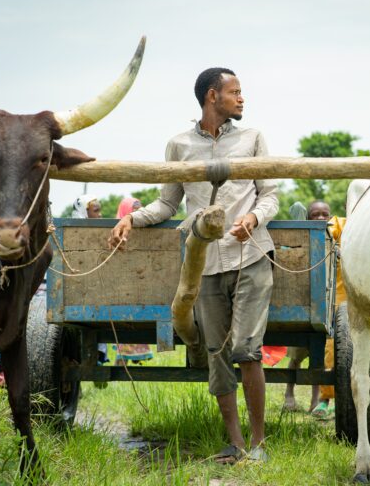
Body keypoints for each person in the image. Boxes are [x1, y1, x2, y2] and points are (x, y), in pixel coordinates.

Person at [109, 68, 278, 464]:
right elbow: (168, 203)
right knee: (217, 352)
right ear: (212, 96)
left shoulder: (253, 139)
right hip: (204, 264)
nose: (242, 99)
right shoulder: (179, 145)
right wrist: (131, 218)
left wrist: (252, 219)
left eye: (241, 93)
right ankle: (235, 444)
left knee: (247, 349)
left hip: (251, 258)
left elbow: (269, 195)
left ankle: (259, 445)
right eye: (235, 92)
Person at [282, 201, 337, 418]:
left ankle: (317, 400)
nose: (321, 218)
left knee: (319, 360)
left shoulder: (333, 239)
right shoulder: (300, 238)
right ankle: (289, 393)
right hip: (301, 306)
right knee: (295, 357)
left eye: (325, 214)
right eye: (315, 215)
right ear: (307, 218)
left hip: (324, 307)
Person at [113, 197, 154, 365]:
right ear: (124, 213)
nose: (137, 214)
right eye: (133, 211)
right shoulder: (113, 234)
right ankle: (121, 361)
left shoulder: (148, 233)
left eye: (140, 211)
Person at [72, 194, 110, 367]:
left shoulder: (101, 233)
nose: (100, 215)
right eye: (96, 211)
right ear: (84, 211)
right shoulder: (72, 234)